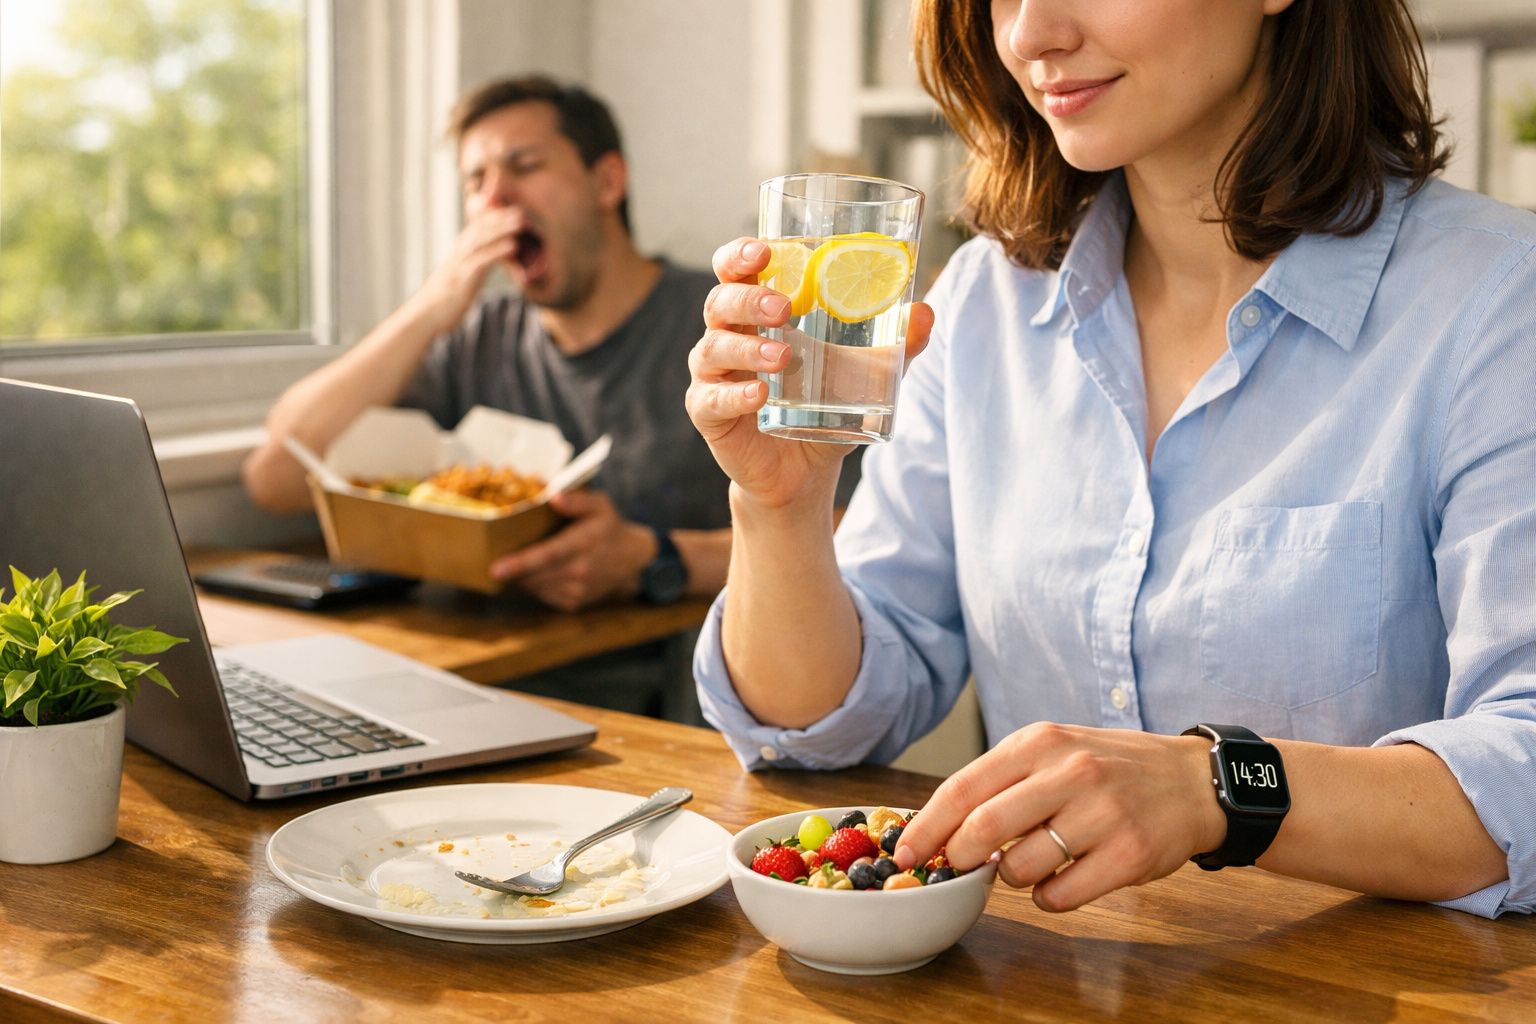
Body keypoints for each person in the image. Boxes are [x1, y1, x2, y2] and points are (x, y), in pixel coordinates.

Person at [686, 0, 1536, 918]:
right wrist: (782, 507)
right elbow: (821, 721)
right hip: (1051, 970)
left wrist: (1213, 790)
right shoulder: (984, 303)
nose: (1029, 35)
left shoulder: (1497, 301)